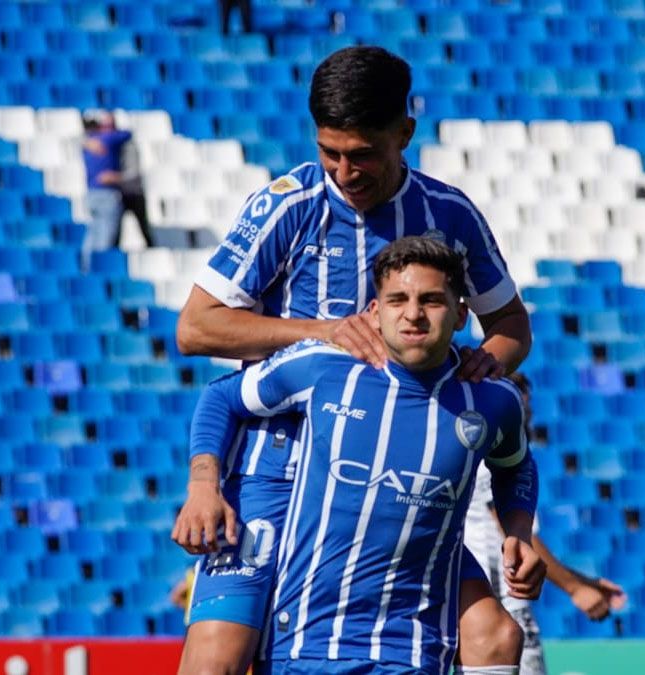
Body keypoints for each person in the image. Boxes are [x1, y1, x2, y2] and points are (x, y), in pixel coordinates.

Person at [171, 46, 533, 675]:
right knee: (216, 659)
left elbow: (509, 326)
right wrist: (324, 333)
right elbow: (196, 327)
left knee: (493, 637)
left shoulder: (449, 215)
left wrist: (482, 367)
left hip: (387, 485)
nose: (344, 170)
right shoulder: (288, 205)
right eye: (329, 152)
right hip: (273, 476)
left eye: (362, 153)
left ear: (404, 133)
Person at [180, 237, 544, 675]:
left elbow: (515, 464)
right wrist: (203, 484)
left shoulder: (491, 399)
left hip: (410, 647)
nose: (413, 314)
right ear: (374, 311)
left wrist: (519, 530)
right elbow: (223, 398)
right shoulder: (326, 368)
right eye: (397, 300)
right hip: (304, 644)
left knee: (500, 635)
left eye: (431, 300)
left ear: (462, 313)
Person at [464, 373, 626, 675]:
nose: (527, 407)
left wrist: (583, 581)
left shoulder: (499, 452)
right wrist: (576, 589)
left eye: (527, 399)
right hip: (500, 601)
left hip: (488, 600)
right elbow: (515, 541)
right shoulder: (490, 455)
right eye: (518, 397)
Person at [81, 110, 133, 268]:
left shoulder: (87, 144)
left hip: (91, 194)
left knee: (93, 234)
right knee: (105, 238)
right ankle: (100, 271)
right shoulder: (108, 139)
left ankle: (87, 268)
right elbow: (128, 133)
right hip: (106, 194)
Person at [116, 133, 158, 249]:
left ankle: (152, 251)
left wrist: (114, 178)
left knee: (144, 228)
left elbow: (133, 173)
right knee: (115, 230)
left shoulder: (129, 148)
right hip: (119, 194)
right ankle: (114, 256)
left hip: (134, 193)